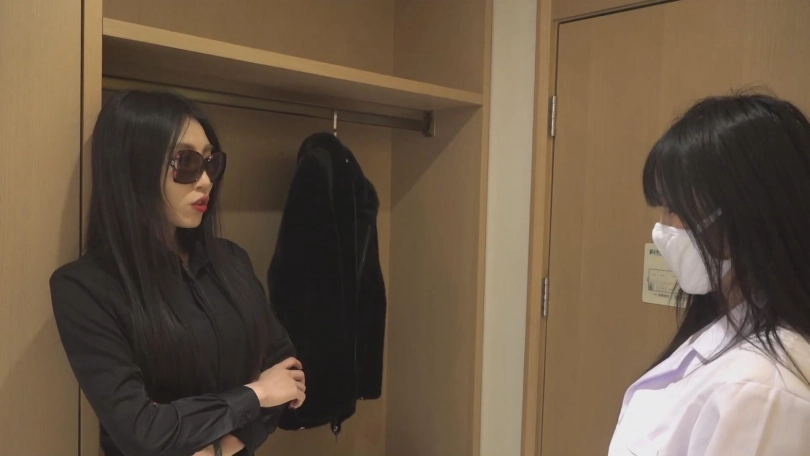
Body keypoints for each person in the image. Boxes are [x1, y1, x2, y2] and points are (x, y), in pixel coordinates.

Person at [49, 90, 305, 456]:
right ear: (133, 167)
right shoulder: (85, 288)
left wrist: (222, 447)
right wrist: (256, 393)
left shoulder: (231, 261)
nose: (206, 181)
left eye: (210, 163)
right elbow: (141, 431)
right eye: (186, 162)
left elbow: (287, 373)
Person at [608, 93, 810, 455]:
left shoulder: (764, 391)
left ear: (745, 214)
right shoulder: (728, 324)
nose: (662, 228)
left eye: (674, 209)